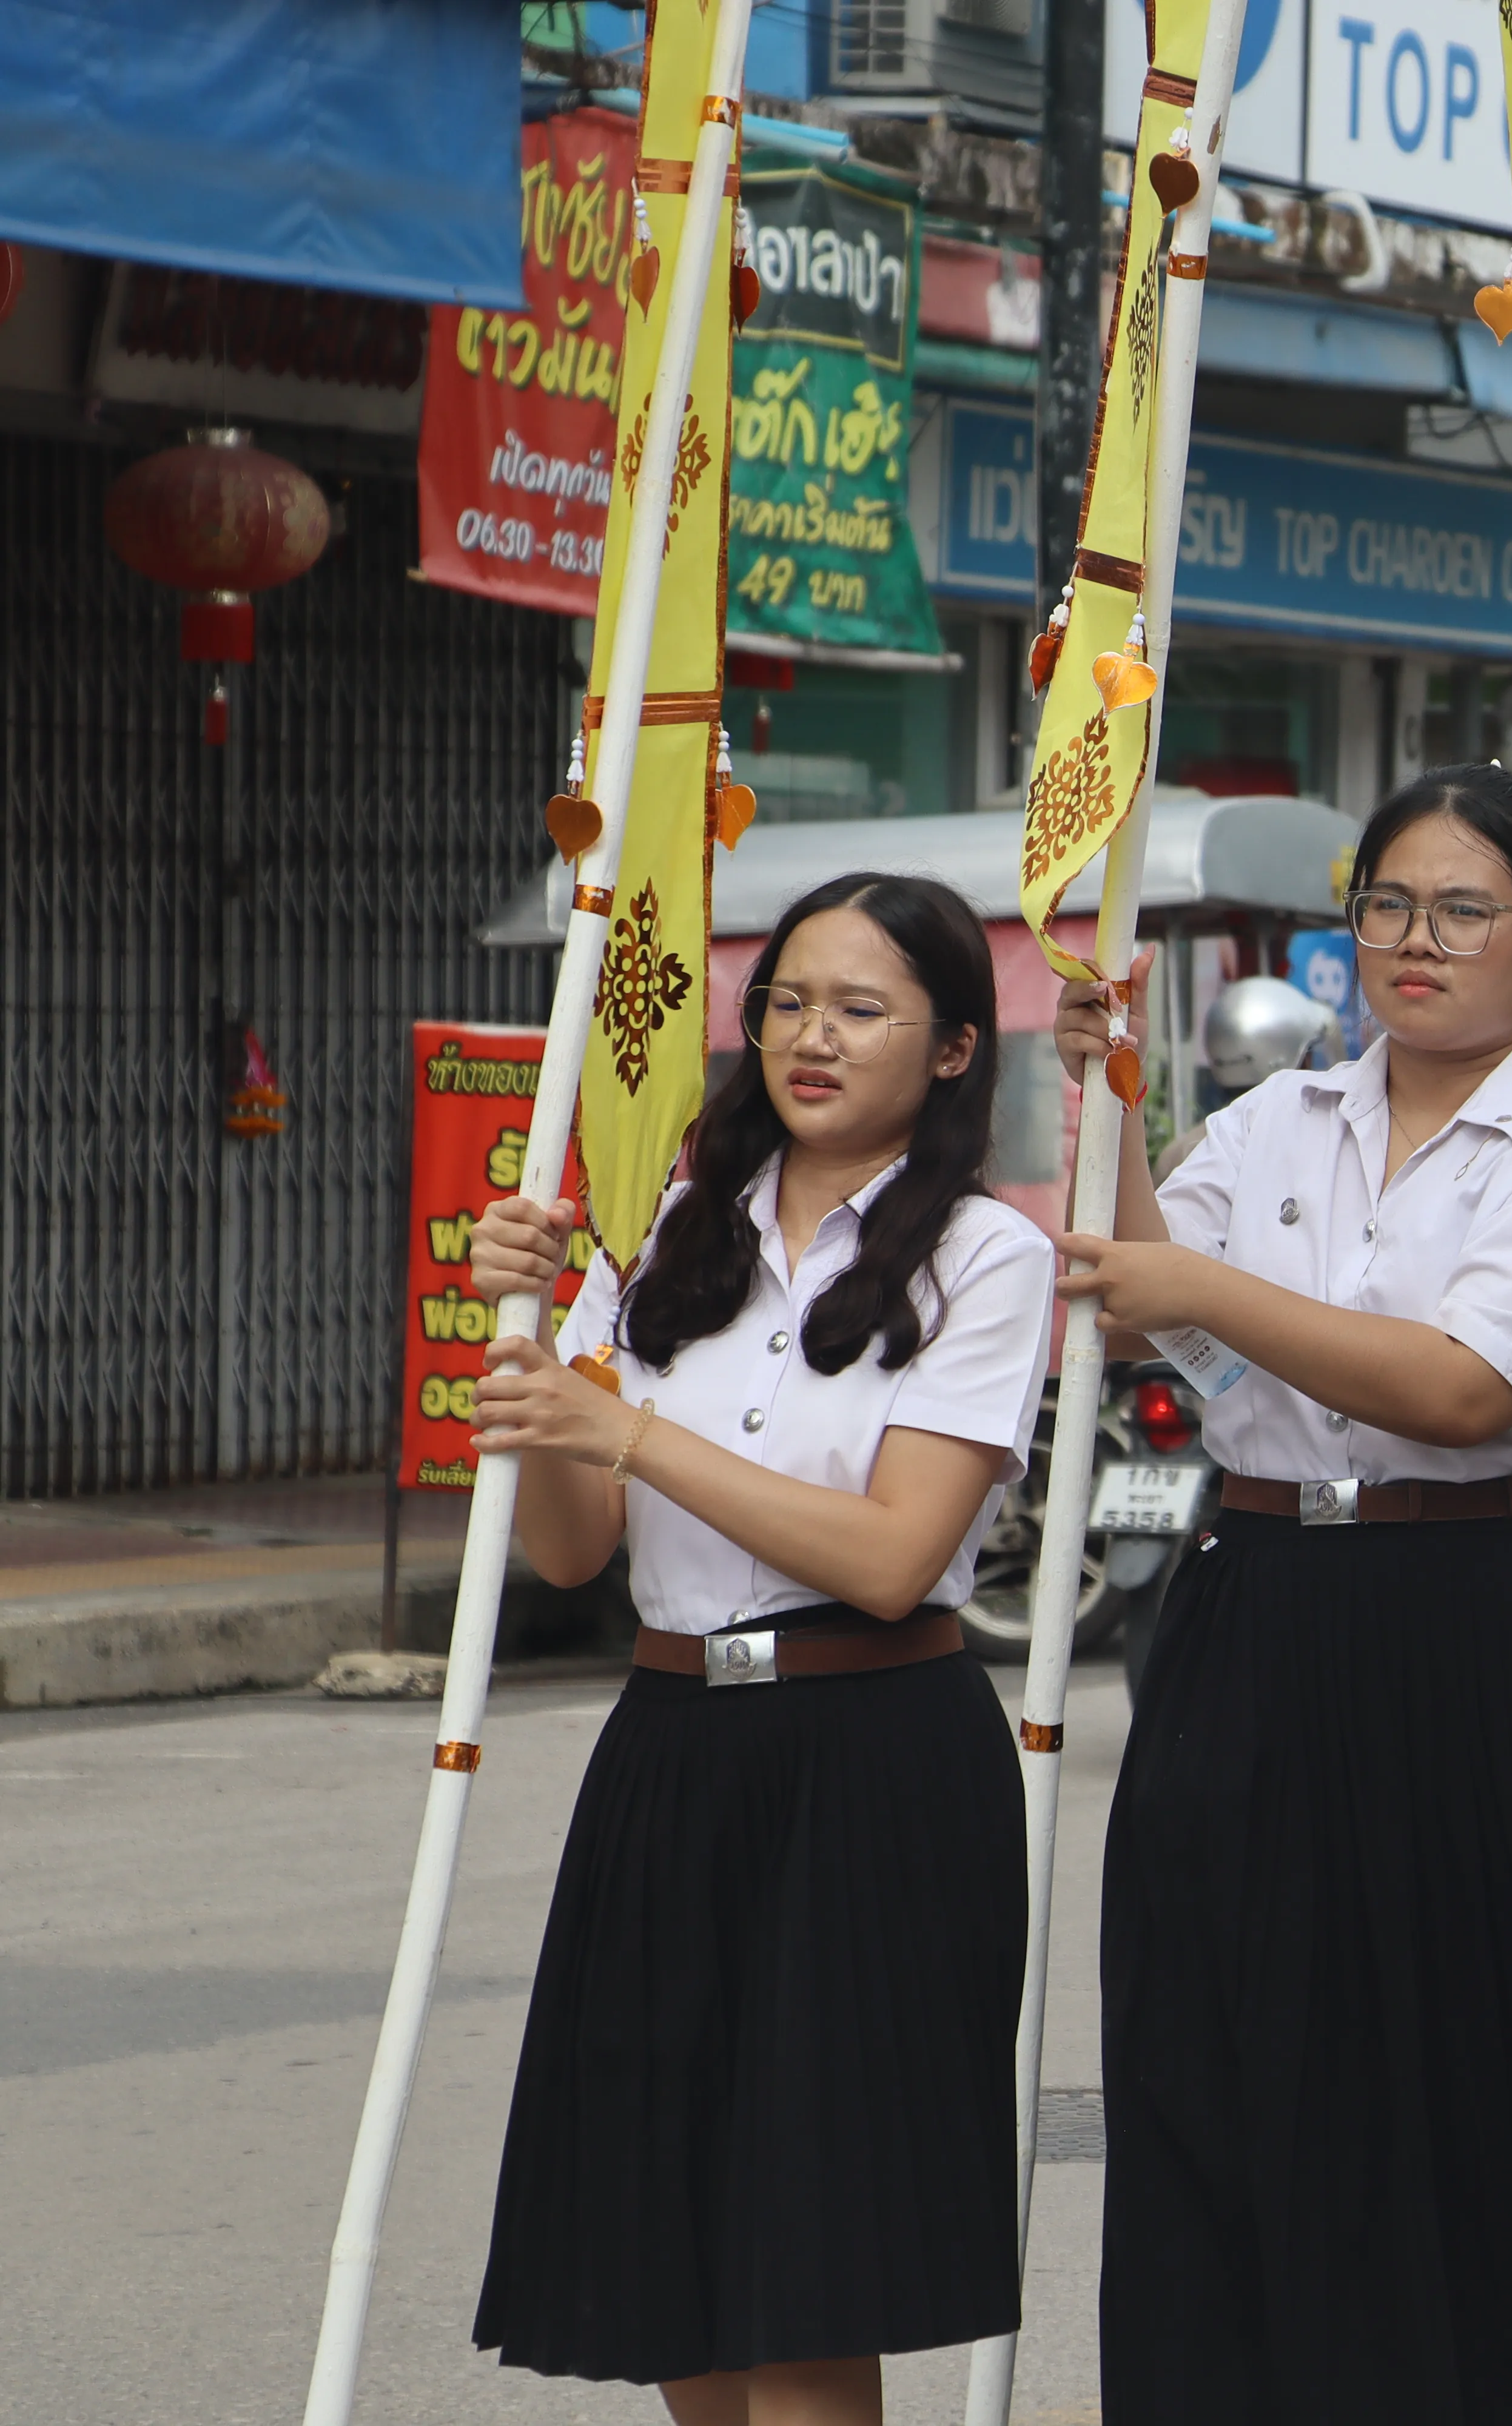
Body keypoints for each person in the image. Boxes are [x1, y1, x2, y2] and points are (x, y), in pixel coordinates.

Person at [1062, 764, 1512, 2426]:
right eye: (1389, 907)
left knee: (1485, 2085)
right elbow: (1139, 1302)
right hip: (1264, 1599)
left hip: (1491, 1625)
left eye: (1464, 911)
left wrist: (1197, 1278)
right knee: (1242, 2061)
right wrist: (1108, 1103)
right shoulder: (1278, 1118)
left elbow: (1459, 1390)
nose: (1416, 945)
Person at [465, 873, 1056, 2421]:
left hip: (869, 1762)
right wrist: (530, 1355)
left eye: (862, 1008)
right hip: (672, 1750)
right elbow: (573, 1547)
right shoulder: (670, 1227)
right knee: (667, 2255)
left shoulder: (985, 1257)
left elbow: (889, 1557)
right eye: (788, 1000)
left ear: (950, 1048)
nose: (812, 1037)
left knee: (807, 2269)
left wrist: (632, 1427)